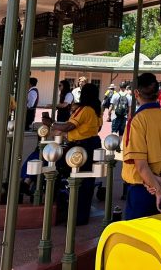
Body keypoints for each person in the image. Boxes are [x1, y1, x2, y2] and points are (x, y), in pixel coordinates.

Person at [122, 73, 161, 220]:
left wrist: (158, 191)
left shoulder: (137, 121)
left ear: (136, 93)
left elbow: (141, 166)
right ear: (158, 94)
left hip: (142, 190)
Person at [43, 83, 103, 225]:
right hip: (93, 143)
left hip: (80, 147)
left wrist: (52, 124)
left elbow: (70, 126)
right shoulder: (97, 110)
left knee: (66, 174)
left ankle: (64, 209)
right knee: (87, 182)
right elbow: (98, 128)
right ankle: (81, 215)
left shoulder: (84, 109)